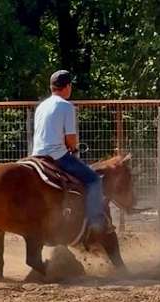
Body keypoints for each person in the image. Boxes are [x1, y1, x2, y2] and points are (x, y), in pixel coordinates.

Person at [32, 70, 108, 235]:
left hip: (37, 155)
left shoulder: (41, 107)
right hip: (57, 156)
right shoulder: (67, 106)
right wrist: (73, 148)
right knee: (94, 180)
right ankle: (95, 220)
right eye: (70, 85)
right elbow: (71, 139)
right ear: (67, 87)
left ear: (52, 87)